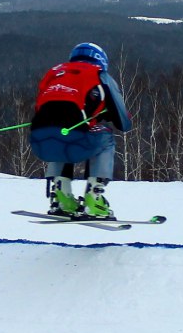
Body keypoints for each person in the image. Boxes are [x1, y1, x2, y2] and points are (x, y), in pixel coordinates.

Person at [29, 42, 134, 218]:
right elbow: (123, 123)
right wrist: (104, 114)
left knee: (62, 134)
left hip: (39, 139)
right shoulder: (100, 75)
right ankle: (94, 198)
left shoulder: (55, 73)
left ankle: (62, 197)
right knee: (106, 137)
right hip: (78, 136)